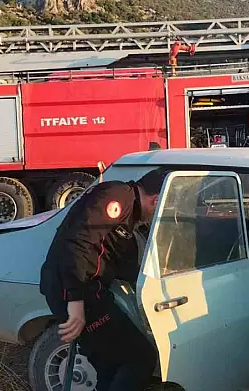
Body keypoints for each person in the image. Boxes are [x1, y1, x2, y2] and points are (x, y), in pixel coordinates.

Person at [39, 167, 170, 391]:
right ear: (156, 200)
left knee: (110, 367)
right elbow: (79, 243)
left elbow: (117, 261)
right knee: (139, 358)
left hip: (87, 289)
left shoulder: (129, 214)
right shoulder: (118, 197)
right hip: (76, 291)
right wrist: (76, 303)